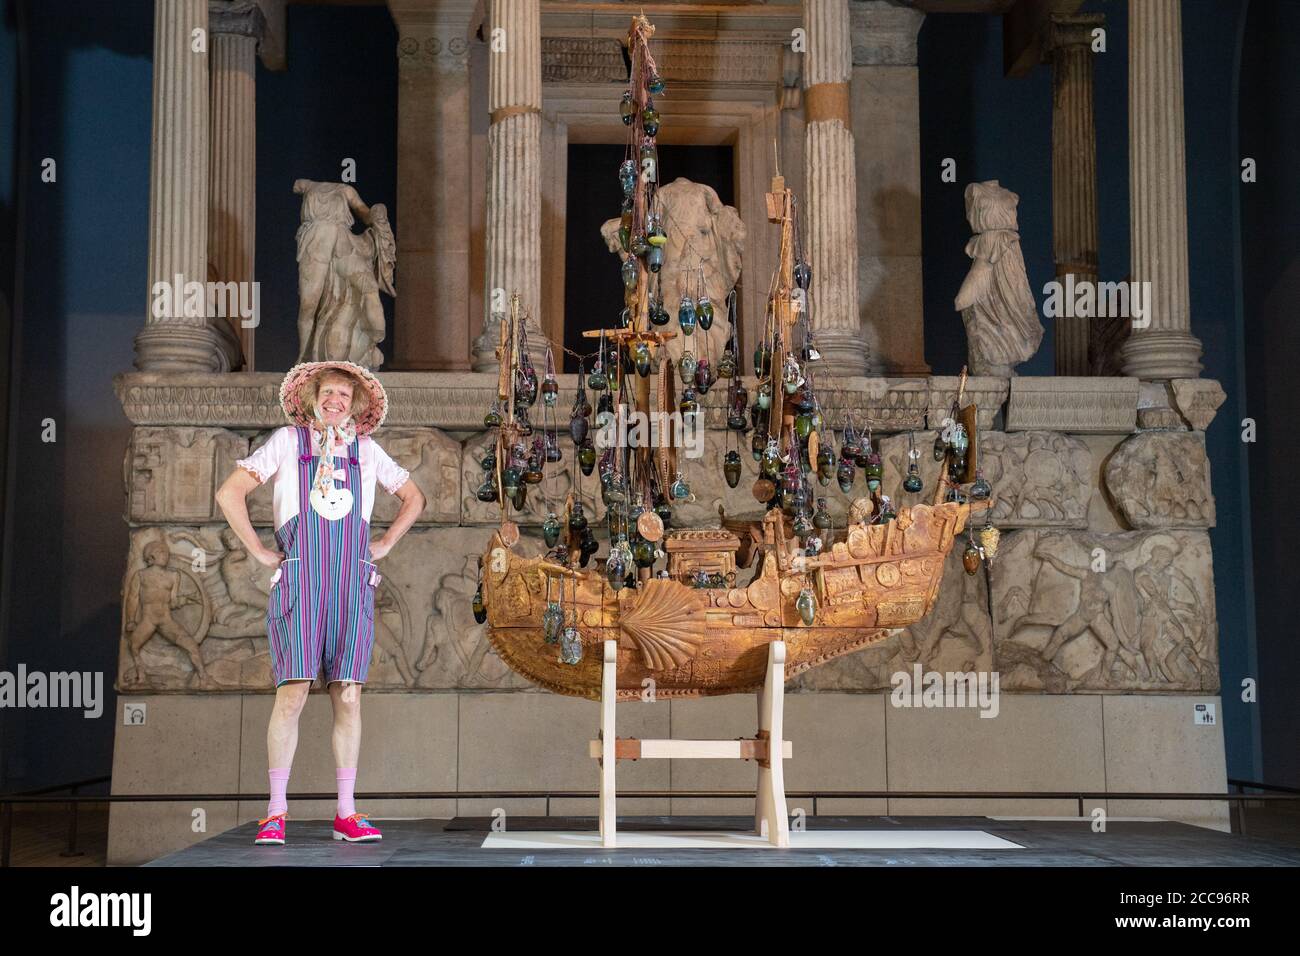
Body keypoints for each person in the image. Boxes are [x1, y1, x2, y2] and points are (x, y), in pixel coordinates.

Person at [215, 360, 425, 846]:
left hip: (351, 581)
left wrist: (385, 544)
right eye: (328, 392)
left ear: (356, 405)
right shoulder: (287, 443)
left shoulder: (368, 452)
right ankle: (275, 812)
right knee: (291, 694)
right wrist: (263, 553)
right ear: (311, 398)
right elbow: (231, 494)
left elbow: (414, 498)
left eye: (344, 396)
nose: (335, 401)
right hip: (302, 578)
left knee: (348, 696)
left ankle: (346, 813)